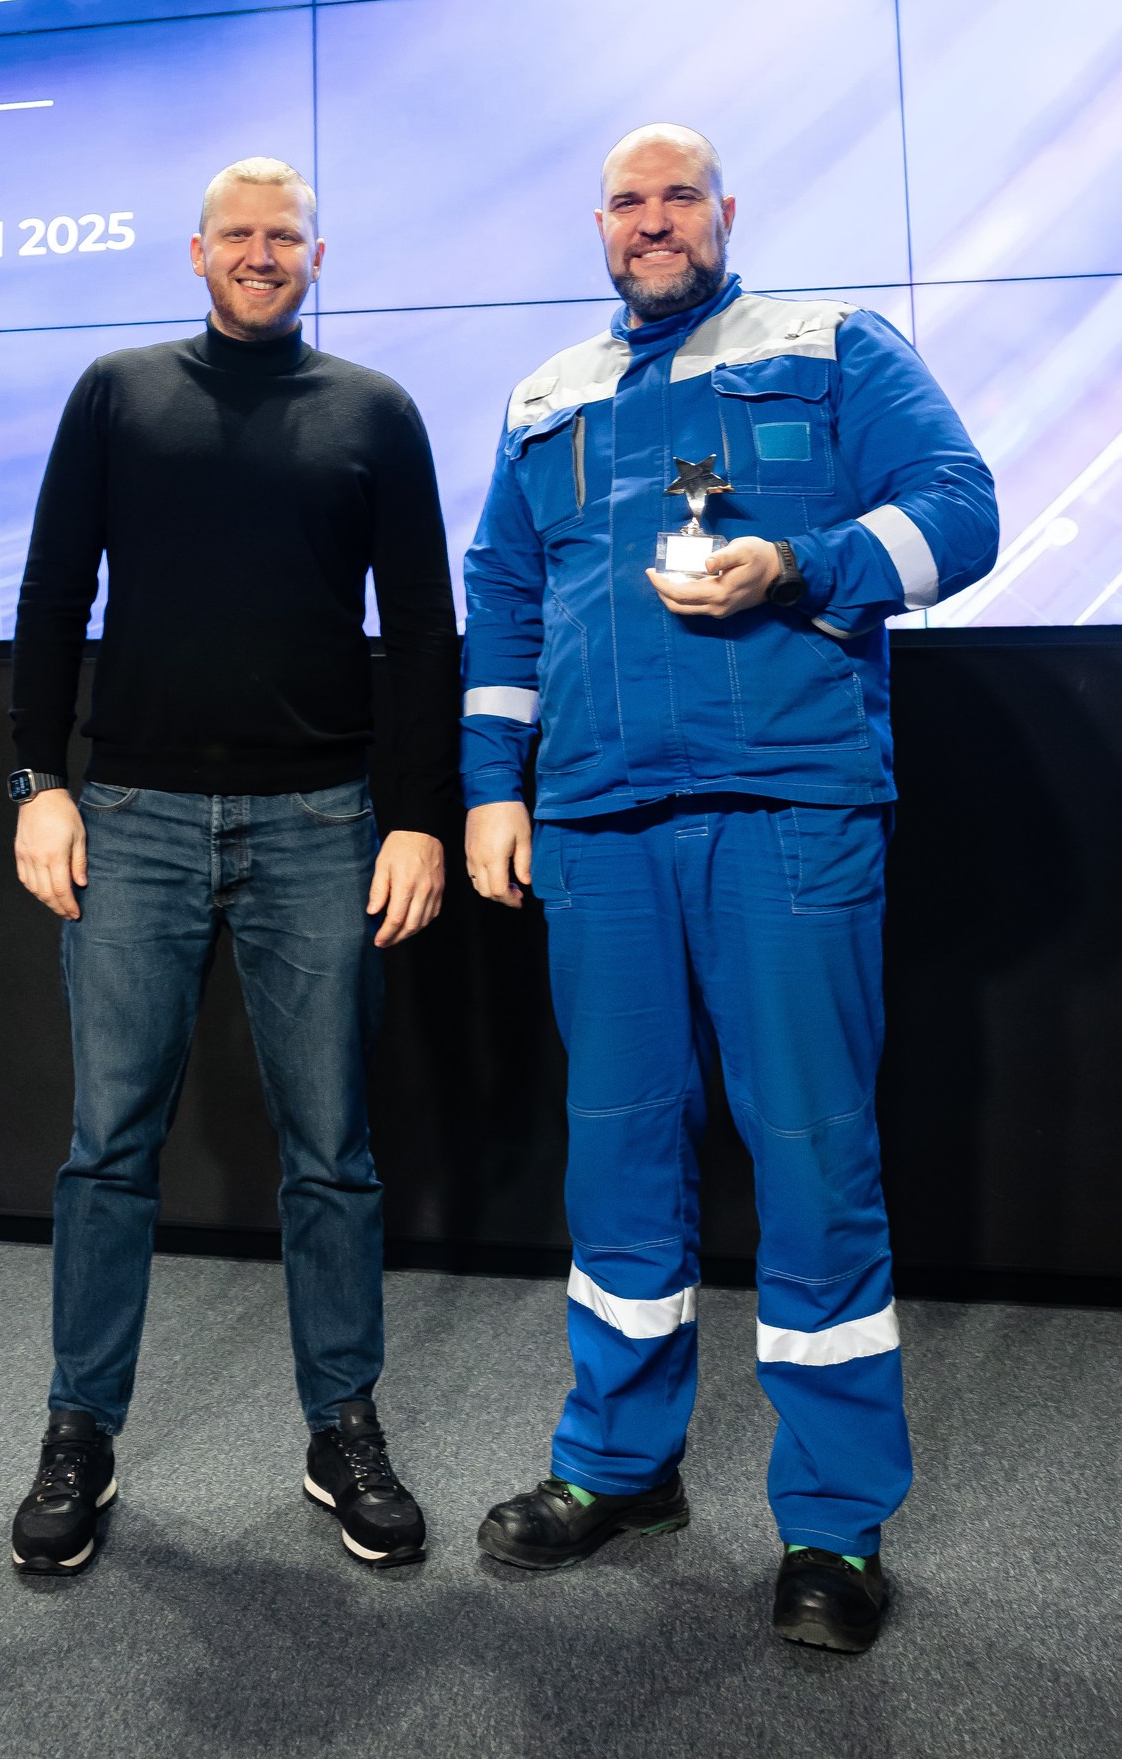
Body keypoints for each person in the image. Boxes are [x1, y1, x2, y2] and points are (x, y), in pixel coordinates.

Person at [461, 125, 998, 1653]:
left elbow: (960, 508)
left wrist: (799, 566)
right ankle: (620, 1467)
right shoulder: (545, 395)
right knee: (618, 1156)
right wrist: (494, 787)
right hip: (597, 823)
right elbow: (502, 598)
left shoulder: (831, 345)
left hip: (789, 813)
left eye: (678, 197)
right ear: (601, 227)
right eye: (628, 203)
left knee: (814, 1160)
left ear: (725, 212)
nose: (654, 223)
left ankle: (832, 1524)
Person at [6, 156, 459, 1575]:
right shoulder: (117, 393)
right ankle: (80, 1434)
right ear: (196, 252)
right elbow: (51, 593)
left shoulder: (375, 411)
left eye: (286, 237)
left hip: (322, 825)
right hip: (132, 817)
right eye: (239, 235)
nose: (263, 254)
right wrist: (36, 782)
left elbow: (424, 630)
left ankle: (343, 1430)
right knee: (107, 1150)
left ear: (320, 256)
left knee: (332, 1155)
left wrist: (419, 816)